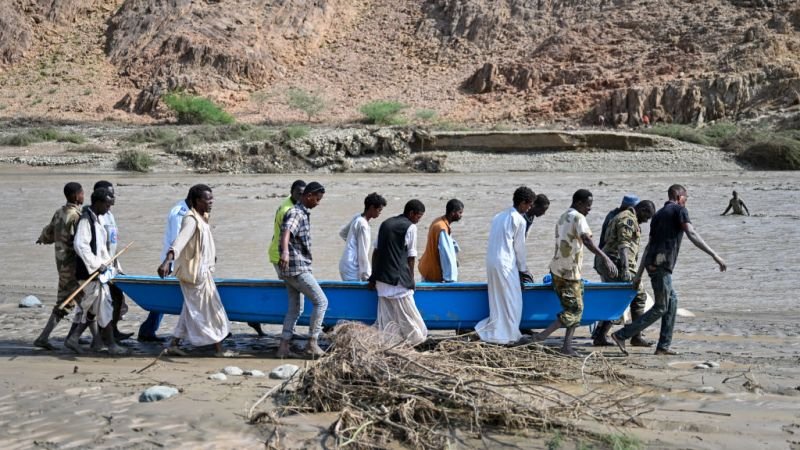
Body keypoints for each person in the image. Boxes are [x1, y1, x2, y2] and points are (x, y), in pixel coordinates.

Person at [612, 185, 727, 356]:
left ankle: (663, 346)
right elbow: (692, 233)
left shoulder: (658, 215)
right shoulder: (679, 210)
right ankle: (621, 334)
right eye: (686, 198)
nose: (686, 201)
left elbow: (649, 246)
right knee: (661, 306)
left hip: (654, 264)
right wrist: (715, 255)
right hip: (661, 266)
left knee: (672, 302)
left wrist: (639, 274)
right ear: (679, 196)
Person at [533, 189, 618, 356]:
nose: (589, 209)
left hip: (558, 269)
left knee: (574, 309)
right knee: (575, 311)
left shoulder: (563, 216)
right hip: (568, 273)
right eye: (588, 205)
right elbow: (586, 239)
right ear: (579, 203)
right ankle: (541, 337)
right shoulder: (579, 218)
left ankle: (566, 346)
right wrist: (605, 258)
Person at [158, 184, 233, 357]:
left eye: (212, 198)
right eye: (208, 199)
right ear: (197, 201)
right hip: (196, 274)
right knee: (212, 310)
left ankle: (173, 344)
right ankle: (218, 349)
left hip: (204, 271)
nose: (211, 202)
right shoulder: (190, 219)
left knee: (189, 310)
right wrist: (166, 261)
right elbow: (179, 242)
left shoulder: (203, 217)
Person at [64, 187, 127, 355]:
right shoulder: (86, 220)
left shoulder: (97, 219)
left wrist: (113, 268)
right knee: (102, 307)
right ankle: (111, 345)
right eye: (107, 205)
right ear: (98, 203)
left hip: (100, 273)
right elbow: (80, 245)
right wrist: (96, 264)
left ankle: (76, 338)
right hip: (89, 274)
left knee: (92, 309)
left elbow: (102, 250)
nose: (109, 209)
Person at [475, 187, 535, 345]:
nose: (529, 209)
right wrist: (524, 269)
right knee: (512, 300)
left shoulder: (498, 216)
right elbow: (519, 248)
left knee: (497, 299)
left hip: (491, 261)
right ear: (522, 203)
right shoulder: (519, 220)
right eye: (529, 205)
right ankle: (508, 335)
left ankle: (499, 331)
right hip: (505, 263)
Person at [592, 200, 656, 347]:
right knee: (637, 297)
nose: (646, 221)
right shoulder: (627, 219)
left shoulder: (626, 217)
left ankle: (602, 335)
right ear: (642, 210)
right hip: (616, 264)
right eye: (647, 217)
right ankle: (634, 336)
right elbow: (623, 246)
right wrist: (626, 269)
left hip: (614, 263)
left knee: (618, 299)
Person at [276, 182, 329, 357]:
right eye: (317, 199)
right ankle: (312, 343)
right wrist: (284, 252)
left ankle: (283, 347)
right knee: (321, 302)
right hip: (297, 267)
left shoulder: (301, 212)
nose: (318, 203)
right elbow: (286, 232)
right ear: (309, 196)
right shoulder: (297, 213)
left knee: (295, 309)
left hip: (291, 268)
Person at [370, 199, 428, 346]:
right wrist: (411, 279)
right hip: (398, 281)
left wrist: (373, 277)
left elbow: (375, 252)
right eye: (418, 216)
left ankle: (392, 345)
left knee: (388, 319)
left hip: (382, 280)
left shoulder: (385, 223)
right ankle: (416, 342)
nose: (418, 220)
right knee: (410, 317)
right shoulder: (411, 227)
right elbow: (411, 256)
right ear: (411, 213)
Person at [33, 182, 84, 350]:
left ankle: (52, 337)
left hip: (61, 264)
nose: (83, 196)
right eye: (82, 193)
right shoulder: (76, 216)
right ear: (76, 196)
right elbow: (80, 243)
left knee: (70, 302)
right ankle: (92, 339)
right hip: (72, 267)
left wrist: (41, 238)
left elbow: (48, 234)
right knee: (83, 302)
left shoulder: (59, 212)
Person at [137, 195, 191, 342]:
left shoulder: (185, 210)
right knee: (169, 297)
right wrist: (170, 263)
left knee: (163, 298)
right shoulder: (180, 213)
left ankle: (148, 329)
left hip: (177, 262)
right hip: (174, 263)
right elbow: (177, 240)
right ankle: (148, 330)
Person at [261, 180, 306, 336]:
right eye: (298, 193)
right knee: (297, 301)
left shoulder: (289, 203)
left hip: (280, 253)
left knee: (294, 297)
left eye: (303, 193)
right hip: (281, 256)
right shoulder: (289, 210)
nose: (301, 196)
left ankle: (289, 331)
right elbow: (285, 237)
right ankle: (288, 333)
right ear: (291, 191)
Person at [93, 180, 132, 343]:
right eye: (109, 193)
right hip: (100, 266)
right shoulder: (96, 217)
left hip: (112, 264)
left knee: (117, 296)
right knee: (101, 302)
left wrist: (117, 265)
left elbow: (112, 243)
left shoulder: (109, 214)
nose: (113, 197)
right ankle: (102, 336)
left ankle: (112, 330)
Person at [339, 192, 386, 281]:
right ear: (372, 207)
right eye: (379, 210)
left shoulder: (357, 217)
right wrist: (367, 276)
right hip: (352, 267)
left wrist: (352, 244)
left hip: (346, 262)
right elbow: (363, 253)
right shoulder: (363, 225)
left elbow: (343, 233)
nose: (379, 213)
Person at [418, 199, 463, 283]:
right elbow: (446, 254)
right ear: (453, 212)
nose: (461, 215)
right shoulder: (442, 228)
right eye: (460, 212)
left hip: (427, 268)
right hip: (432, 273)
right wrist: (450, 279)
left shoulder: (439, 221)